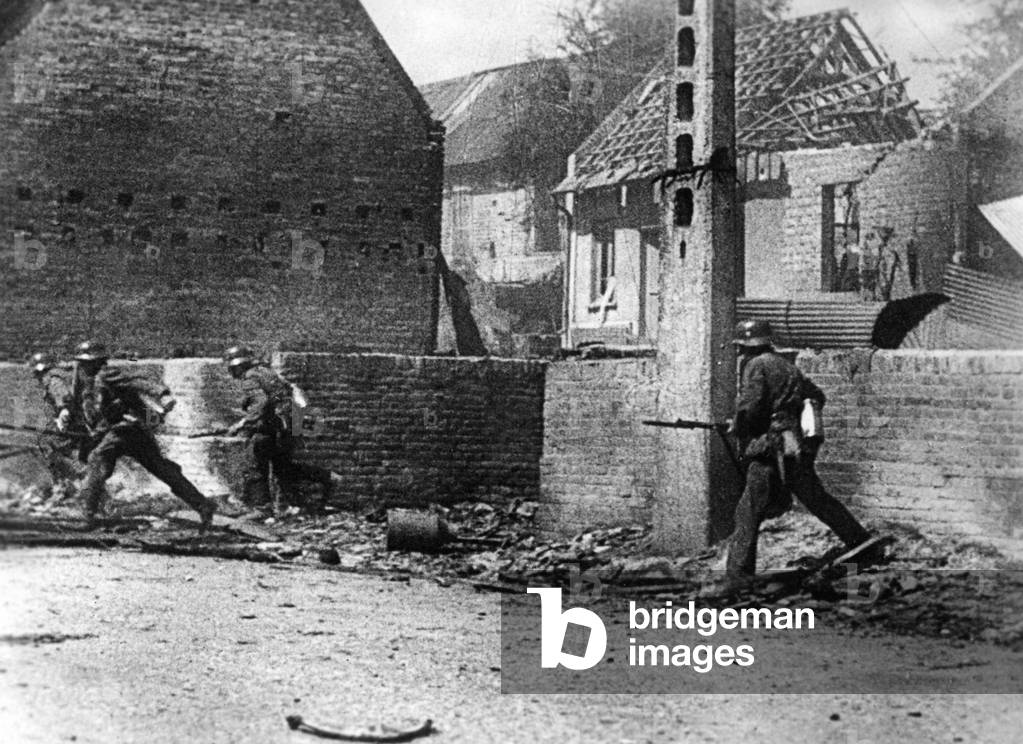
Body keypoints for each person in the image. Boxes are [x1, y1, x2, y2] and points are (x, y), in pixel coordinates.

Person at [725, 320, 875, 585]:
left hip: (772, 447)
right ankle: (861, 541)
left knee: (747, 510)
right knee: (815, 497)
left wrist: (738, 426)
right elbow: (816, 395)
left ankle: (737, 576)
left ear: (746, 347)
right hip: (794, 444)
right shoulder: (786, 365)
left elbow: (751, 407)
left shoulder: (756, 365)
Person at [70, 341, 215, 530]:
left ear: (97, 361)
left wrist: (162, 394)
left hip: (125, 430)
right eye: (81, 362)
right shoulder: (88, 380)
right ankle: (202, 504)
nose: (82, 366)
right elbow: (95, 412)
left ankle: (86, 515)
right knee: (161, 468)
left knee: (98, 460)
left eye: (86, 362)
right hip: (129, 431)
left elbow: (137, 380)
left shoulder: (106, 374)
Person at [223, 346, 332, 515]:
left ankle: (263, 509)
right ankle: (327, 477)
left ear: (237, 366)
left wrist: (243, 423)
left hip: (270, 428)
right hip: (286, 427)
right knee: (283, 468)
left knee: (254, 466)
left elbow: (261, 403)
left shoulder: (250, 378)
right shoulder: (266, 372)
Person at [29, 352, 83, 496]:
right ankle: (64, 481)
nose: (40, 376)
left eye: (41, 372)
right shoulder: (54, 381)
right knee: (46, 441)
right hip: (67, 422)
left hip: (69, 423)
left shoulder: (54, 382)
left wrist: (62, 419)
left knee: (48, 444)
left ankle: (69, 480)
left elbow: (66, 403)